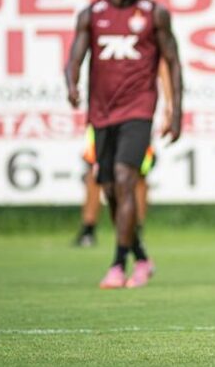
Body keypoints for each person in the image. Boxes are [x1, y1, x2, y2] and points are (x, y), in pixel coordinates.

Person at [65, 0, 183, 289]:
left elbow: (173, 62)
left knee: (125, 177)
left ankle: (118, 265)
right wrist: (71, 84)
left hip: (138, 109)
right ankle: (141, 256)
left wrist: (176, 113)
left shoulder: (153, 13)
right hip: (101, 113)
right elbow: (74, 57)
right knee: (110, 188)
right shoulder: (92, 14)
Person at [73, 58, 173, 248]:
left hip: (138, 116)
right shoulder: (103, 33)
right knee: (95, 172)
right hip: (104, 114)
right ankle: (88, 229)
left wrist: (169, 103)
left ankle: (136, 230)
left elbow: (161, 65)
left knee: (139, 174)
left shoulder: (144, 34)